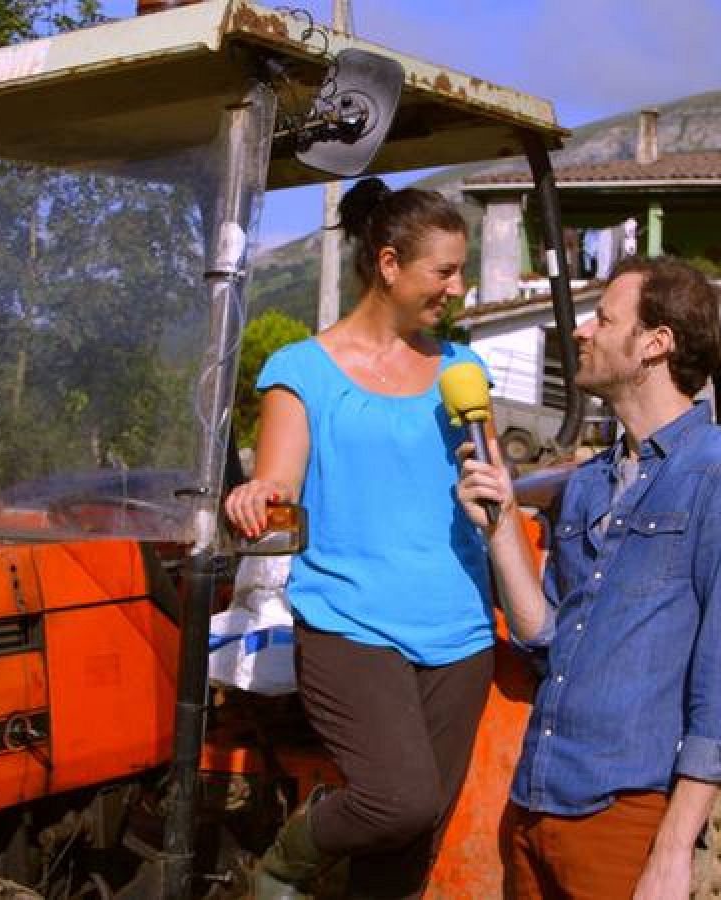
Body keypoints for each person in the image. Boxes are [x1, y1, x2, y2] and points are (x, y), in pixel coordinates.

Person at [456, 256, 721, 899]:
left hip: (626, 816)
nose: (582, 332)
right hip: (537, 802)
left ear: (655, 344)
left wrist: (673, 851)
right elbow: (545, 637)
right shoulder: (587, 483)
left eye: (603, 320)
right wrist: (499, 526)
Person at [224, 178, 496, 899]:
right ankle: (283, 864)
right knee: (397, 800)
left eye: (460, 270)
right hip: (351, 623)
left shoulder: (463, 371)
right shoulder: (302, 371)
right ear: (388, 264)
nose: (457, 288)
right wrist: (259, 495)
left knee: (414, 842)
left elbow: (490, 487)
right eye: (445, 271)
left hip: (460, 630)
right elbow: (279, 483)